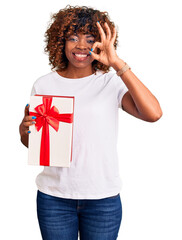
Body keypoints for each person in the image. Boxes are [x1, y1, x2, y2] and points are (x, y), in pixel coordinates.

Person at [19, 5, 163, 240]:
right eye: (73, 38)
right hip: (54, 197)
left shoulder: (110, 83)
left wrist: (116, 63)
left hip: (102, 200)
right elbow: (34, 143)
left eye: (90, 38)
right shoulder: (44, 84)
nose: (81, 46)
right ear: (60, 42)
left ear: (101, 43)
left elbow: (154, 113)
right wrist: (23, 131)